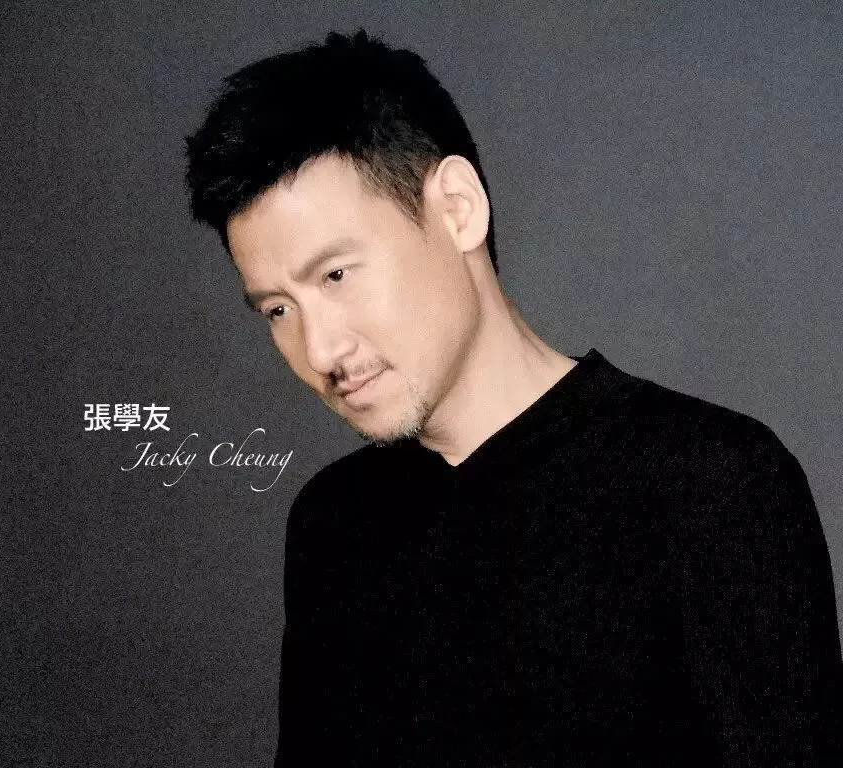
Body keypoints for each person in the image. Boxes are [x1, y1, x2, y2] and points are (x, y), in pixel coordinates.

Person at [184, 29, 842, 767]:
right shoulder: (332, 525)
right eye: (278, 309)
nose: (320, 351)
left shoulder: (710, 480)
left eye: (336, 276)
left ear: (457, 208)